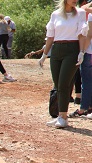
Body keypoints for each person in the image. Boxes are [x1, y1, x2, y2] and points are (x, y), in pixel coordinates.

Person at [39, 0, 87, 128]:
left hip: (72, 50)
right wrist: (44, 55)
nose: (75, 0)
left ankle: (62, 116)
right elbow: (50, 36)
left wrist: (81, 52)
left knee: (64, 84)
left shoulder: (80, 13)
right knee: (58, 85)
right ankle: (61, 116)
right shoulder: (55, 14)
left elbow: (82, 34)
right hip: (56, 50)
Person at [68, 1, 92, 118]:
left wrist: (82, 51)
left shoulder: (90, 14)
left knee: (86, 81)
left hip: (90, 51)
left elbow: (89, 34)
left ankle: (83, 109)